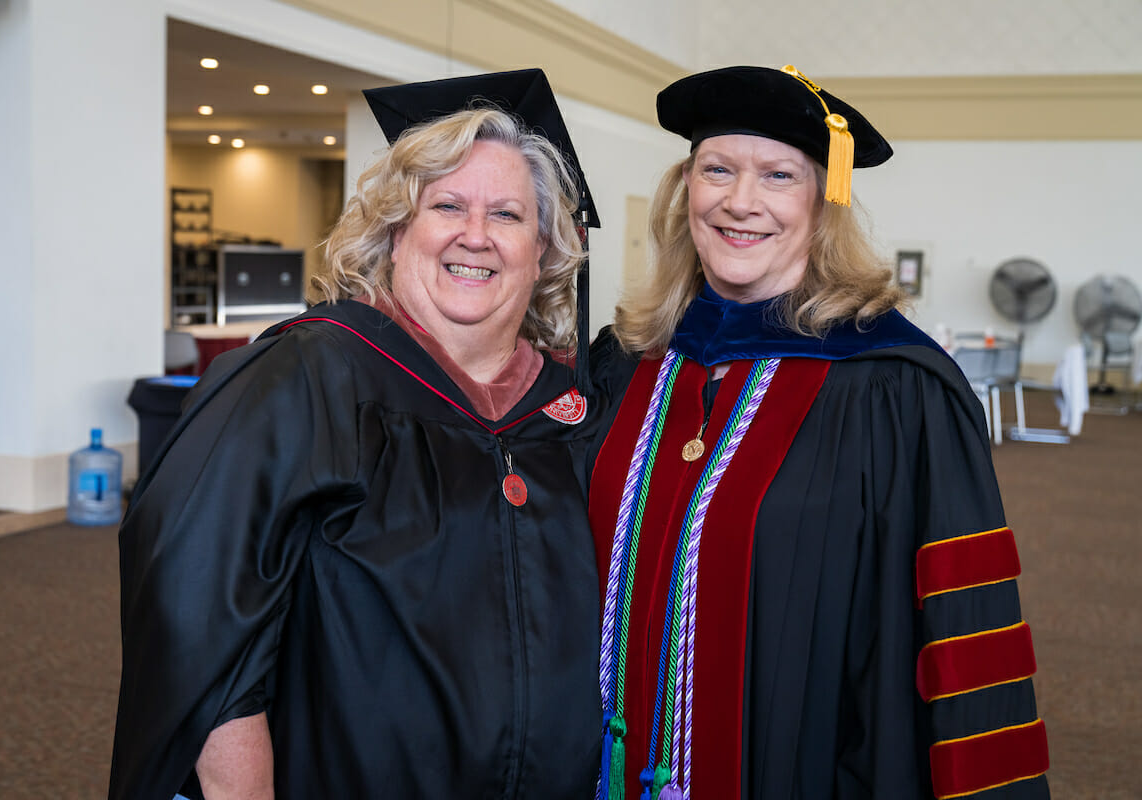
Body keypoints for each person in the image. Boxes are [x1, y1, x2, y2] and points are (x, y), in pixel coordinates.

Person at [109, 70, 603, 799]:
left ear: (544, 251)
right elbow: (194, 618)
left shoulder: (580, 412)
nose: (475, 235)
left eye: (507, 214)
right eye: (447, 206)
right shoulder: (306, 378)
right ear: (397, 233)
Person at [590, 65, 1049, 799]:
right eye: (717, 170)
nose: (741, 201)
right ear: (686, 190)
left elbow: (959, 629)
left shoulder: (893, 390)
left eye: (778, 176)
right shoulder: (626, 364)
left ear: (822, 203)